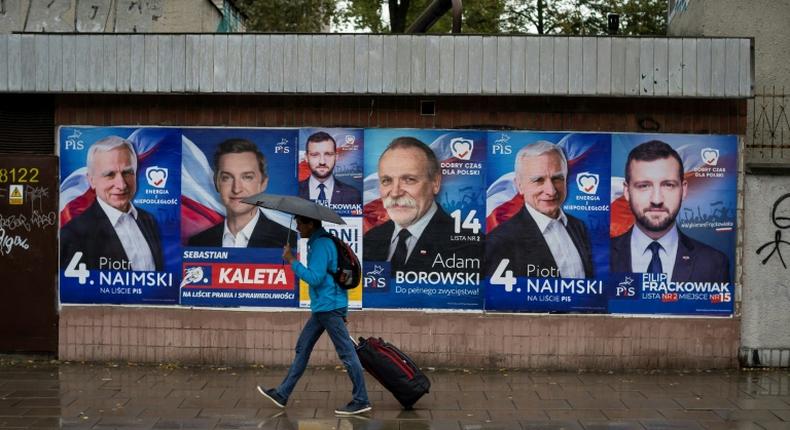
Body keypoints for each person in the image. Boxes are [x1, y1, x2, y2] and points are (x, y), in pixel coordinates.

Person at [257, 215, 371, 416]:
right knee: (303, 347)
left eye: (301, 224)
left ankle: (361, 400)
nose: (298, 228)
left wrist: (292, 261)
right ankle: (282, 394)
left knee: (347, 353)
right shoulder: (320, 242)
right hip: (324, 307)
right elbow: (330, 276)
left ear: (311, 224)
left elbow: (315, 278)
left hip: (328, 307)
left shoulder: (321, 245)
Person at [610, 140, 730, 282]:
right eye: (643, 186)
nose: (656, 200)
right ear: (627, 191)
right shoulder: (599, 258)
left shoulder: (714, 263)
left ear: (683, 190)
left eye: (668, 185)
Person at [363, 137, 477, 272]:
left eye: (409, 179)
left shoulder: (471, 246)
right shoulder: (370, 239)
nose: (395, 193)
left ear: (435, 183)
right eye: (386, 181)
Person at [485, 141, 593, 279]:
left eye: (557, 178)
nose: (551, 190)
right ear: (520, 185)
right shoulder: (499, 242)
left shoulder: (578, 227)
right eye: (538, 180)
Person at [60, 136, 163, 271]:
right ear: (92, 180)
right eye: (109, 174)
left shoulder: (148, 220)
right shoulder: (73, 234)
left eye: (127, 172)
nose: (121, 185)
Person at [188, 138, 295, 248]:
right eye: (227, 178)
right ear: (217, 183)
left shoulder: (289, 241)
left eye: (247, 177)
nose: (236, 189)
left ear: (263, 183)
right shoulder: (197, 242)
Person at [298, 131, 361, 205]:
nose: (322, 162)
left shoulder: (352, 195)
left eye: (328, 154)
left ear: (336, 157)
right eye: (315, 155)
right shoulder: (294, 192)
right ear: (306, 158)